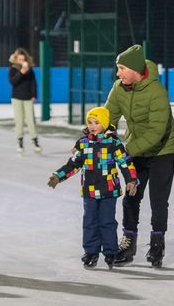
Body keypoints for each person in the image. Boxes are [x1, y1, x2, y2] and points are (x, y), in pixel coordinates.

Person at [104, 44, 174, 268]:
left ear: (135, 70)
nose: (118, 73)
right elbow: (110, 115)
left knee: (158, 200)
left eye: (121, 68)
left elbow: (156, 132)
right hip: (136, 150)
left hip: (161, 151)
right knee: (131, 196)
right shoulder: (119, 88)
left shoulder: (157, 92)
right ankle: (128, 243)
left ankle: (157, 243)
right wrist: (101, 132)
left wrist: (126, 150)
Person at [47, 106, 138, 269]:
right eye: (90, 122)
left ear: (104, 123)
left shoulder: (113, 143)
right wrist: (58, 176)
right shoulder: (83, 144)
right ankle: (91, 252)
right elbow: (74, 164)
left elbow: (125, 163)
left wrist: (131, 180)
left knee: (107, 222)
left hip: (109, 190)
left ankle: (110, 252)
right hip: (89, 191)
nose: (92, 125)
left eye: (96, 122)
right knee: (89, 222)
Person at [8, 48, 41, 154]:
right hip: (17, 98)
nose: (21, 61)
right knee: (19, 120)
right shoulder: (12, 69)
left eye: (23, 59)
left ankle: (35, 141)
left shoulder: (30, 70)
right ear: (16, 59)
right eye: (20, 59)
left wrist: (34, 95)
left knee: (31, 120)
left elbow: (33, 83)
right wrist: (21, 72)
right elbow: (13, 82)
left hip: (27, 98)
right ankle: (20, 141)